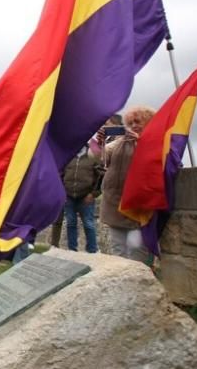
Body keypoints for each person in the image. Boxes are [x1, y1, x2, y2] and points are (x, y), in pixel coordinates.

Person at [101, 106, 156, 264]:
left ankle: (140, 284)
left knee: (136, 252)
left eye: (138, 121)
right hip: (114, 206)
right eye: (130, 123)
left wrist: (140, 142)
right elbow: (100, 156)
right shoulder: (120, 142)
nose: (133, 126)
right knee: (118, 251)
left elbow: (156, 162)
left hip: (138, 208)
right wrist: (99, 142)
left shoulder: (155, 142)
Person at [62, 142, 104, 253]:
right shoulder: (68, 155)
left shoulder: (93, 156)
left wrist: (93, 194)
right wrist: (62, 192)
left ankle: (92, 250)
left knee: (89, 224)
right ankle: (72, 250)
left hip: (86, 196)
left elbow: (101, 177)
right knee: (70, 223)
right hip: (69, 196)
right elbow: (61, 175)